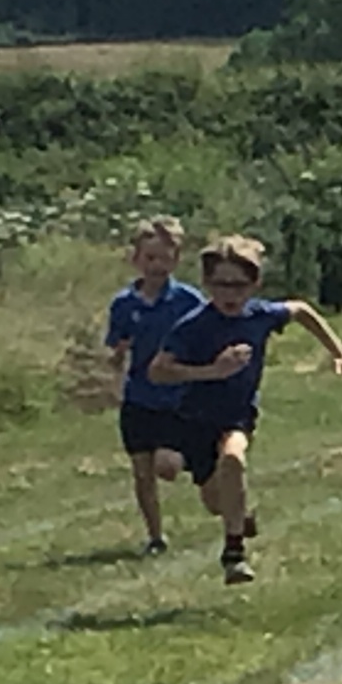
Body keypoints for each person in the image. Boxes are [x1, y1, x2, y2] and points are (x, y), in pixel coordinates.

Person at [150, 235, 342, 585]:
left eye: (239, 285)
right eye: (221, 285)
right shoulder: (193, 326)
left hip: (236, 415)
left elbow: (302, 311)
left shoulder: (260, 316)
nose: (230, 294)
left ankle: (234, 554)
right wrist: (212, 371)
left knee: (234, 459)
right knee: (208, 496)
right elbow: (158, 371)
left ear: (255, 284)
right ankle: (240, 516)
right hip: (192, 418)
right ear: (207, 284)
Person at [104, 217, 205, 556]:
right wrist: (114, 359)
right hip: (139, 397)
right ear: (135, 259)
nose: (157, 266)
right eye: (150, 258)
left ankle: (203, 462)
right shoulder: (124, 304)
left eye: (165, 258)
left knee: (167, 467)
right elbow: (117, 346)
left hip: (177, 397)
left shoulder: (188, 300)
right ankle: (156, 537)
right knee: (142, 472)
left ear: (176, 260)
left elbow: (208, 335)